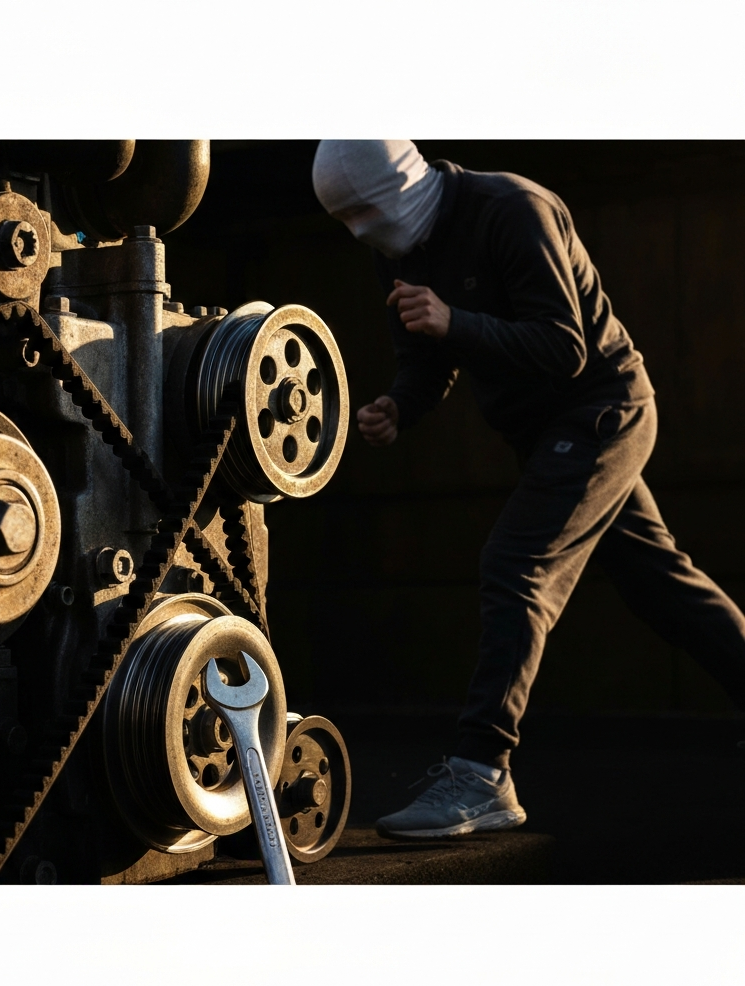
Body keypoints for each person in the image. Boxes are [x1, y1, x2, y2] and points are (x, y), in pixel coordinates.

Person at [312, 140, 745, 839]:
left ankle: (482, 772)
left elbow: (562, 346)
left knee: (516, 566)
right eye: (343, 221)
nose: (360, 232)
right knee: (660, 584)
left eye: (362, 211)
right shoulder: (395, 242)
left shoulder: (514, 209)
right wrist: (401, 404)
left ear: (399, 186)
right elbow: (427, 351)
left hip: (602, 409)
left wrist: (456, 320)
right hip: (544, 433)